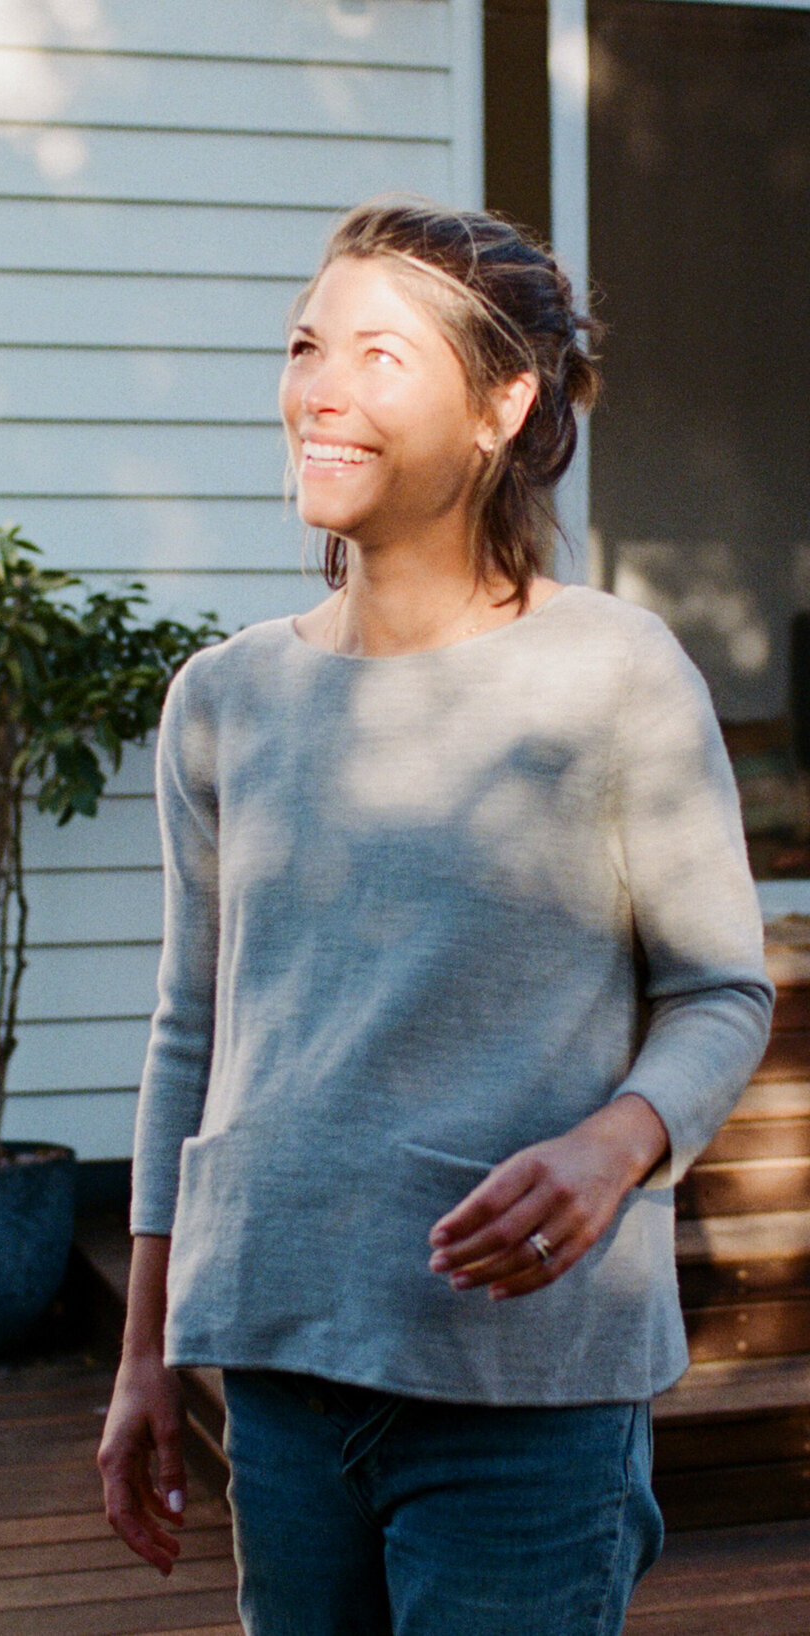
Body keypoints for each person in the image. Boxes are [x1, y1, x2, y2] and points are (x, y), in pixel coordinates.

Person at [96, 196, 774, 1636]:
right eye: (303, 346)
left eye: (380, 356)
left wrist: (618, 1143)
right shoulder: (222, 700)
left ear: (502, 405)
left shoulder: (614, 674)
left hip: (525, 1396)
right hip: (277, 1377)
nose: (321, 390)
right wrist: (145, 1353)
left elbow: (722, 991)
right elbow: (189, 1035)